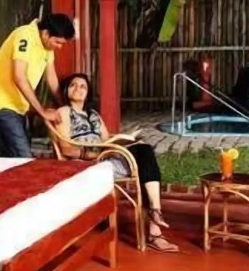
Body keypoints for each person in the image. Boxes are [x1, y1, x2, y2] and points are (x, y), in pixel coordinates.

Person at [55, 73, 179, 253]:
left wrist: (123, 140)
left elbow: (107, 141)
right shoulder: (64, 112)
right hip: (86, 164)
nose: (78, 89)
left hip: (105, 158)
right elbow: (66, 149)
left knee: (144, 151)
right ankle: (155, 230)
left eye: (83, 86)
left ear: (88, 92)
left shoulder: (94, 115)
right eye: (73, 85)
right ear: (66, 90)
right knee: (144, 162)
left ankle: (155, 213)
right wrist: (94, 153)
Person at [0, 13, 76, 158]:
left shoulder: (47, 47)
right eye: (58, 42)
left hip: (20, 107)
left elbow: (51, 78)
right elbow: (19, 77)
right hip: (3, 104)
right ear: (45, 34)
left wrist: (65, 106)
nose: (59, 47)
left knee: (12, 159)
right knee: (24, 158)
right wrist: (42, 111)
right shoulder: (25, 36)